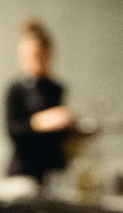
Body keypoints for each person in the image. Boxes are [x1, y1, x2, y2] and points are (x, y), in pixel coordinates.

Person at [4, 19, 74, 187]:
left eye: (44, 56)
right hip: (25, 170)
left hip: (54, 172)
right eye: (35, 56)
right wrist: (40, 122)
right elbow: (13, 130)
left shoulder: (57, 89)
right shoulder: (16, 89)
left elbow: (60, 136)